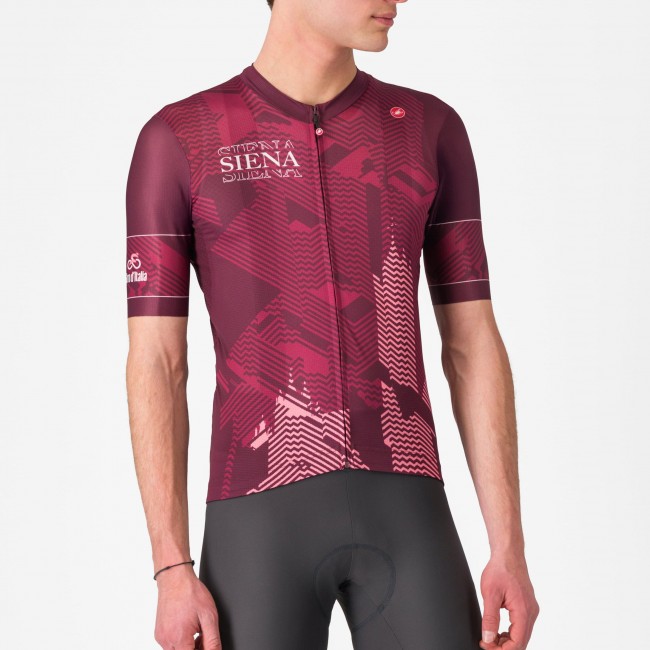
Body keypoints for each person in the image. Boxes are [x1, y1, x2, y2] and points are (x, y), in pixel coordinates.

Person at [125, 0, 540, 648]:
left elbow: (471, 343)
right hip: (257, 523)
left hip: (409, 512)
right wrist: (171, 566)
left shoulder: (427, 129)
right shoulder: (181, 138)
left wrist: (508, 544)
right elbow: (157, 360)